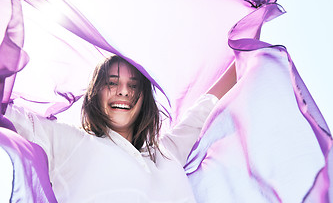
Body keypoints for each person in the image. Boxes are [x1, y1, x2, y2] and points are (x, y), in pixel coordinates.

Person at [5, 54, 236, 202]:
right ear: (96, 93)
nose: (123, 91)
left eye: (133, 85)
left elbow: (208, 105)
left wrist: (249, 34)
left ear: (145, 97)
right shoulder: (71, 142)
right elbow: (11, 115)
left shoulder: (167, 153)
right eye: (112, 83)